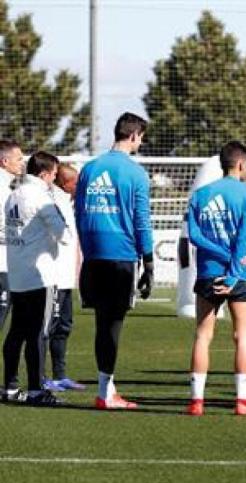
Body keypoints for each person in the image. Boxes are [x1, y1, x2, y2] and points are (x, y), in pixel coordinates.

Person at [75, 112, 154, 410]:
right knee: (113, 326)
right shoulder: (135, 173)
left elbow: (80, 214)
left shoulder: (89, 168)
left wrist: (88, 250)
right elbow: (142, 221)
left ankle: (106, 388)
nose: (140, 142)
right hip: (121, 257)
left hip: (93, 256)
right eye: (141, 137)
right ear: (134, 135)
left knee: (101, 324)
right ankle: (105, 393)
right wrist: (148, 263)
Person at [185, 141, 246, 417]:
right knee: (242, 336)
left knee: (203, 335)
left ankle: (196, 401)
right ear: (241, 164)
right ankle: (243, 401)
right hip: (239, 275)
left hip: (208, 273)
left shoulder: (200, 195)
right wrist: (232, 273)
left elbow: (194, 237)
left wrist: (219, 254)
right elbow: (244, 241)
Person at [3, 151, 68, 406]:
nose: (55, 178)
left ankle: (9, 386)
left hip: (17, 273)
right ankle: (36, 390)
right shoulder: (42, 197)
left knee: (17, 331)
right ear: (44, 174)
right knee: (39, 333)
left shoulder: (13, 195)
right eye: (54, 174)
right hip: (40, 275)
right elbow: (63, 234)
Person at [43, 164, 84, 391]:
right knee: (49, 326)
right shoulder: (54, 203)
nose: (78, 186)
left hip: (66, 277)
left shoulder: (69, 203)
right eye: (75, 182)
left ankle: (60, 375)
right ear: (64, 183)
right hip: (55, 277)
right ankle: (42, 376)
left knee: (64, 325)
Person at [0, 140, 23, 400]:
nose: (22, 163)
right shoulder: (4, 192)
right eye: (18, 158)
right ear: (5, 162)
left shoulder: (8, 188)